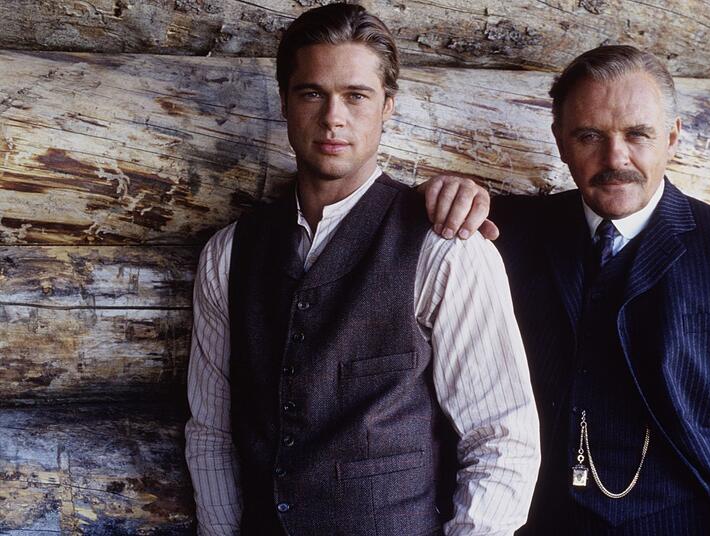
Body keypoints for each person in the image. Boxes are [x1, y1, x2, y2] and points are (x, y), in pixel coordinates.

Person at [423, 45, 710, 535]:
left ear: (672, 137)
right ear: (560, 142)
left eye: (638, 134)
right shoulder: (499, 233)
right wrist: (440, 196)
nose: (615, 158)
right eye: (589, 136)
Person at [183, 5, 540, 535]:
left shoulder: (445, 248)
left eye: (356, 96)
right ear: (284, 101)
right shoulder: (228, 253)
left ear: (387, 106)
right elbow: (211, 433)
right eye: (312, 93)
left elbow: (502, 439)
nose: (333, 118)